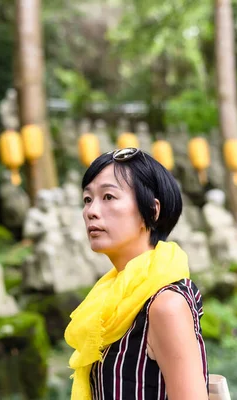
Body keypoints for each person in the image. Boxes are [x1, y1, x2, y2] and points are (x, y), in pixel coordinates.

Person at [64, 147, 209, 400]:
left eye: (108, 197)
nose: (91, 211)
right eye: (87, 199)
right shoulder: (109, 299)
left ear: (151, 211)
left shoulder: (165, 305)